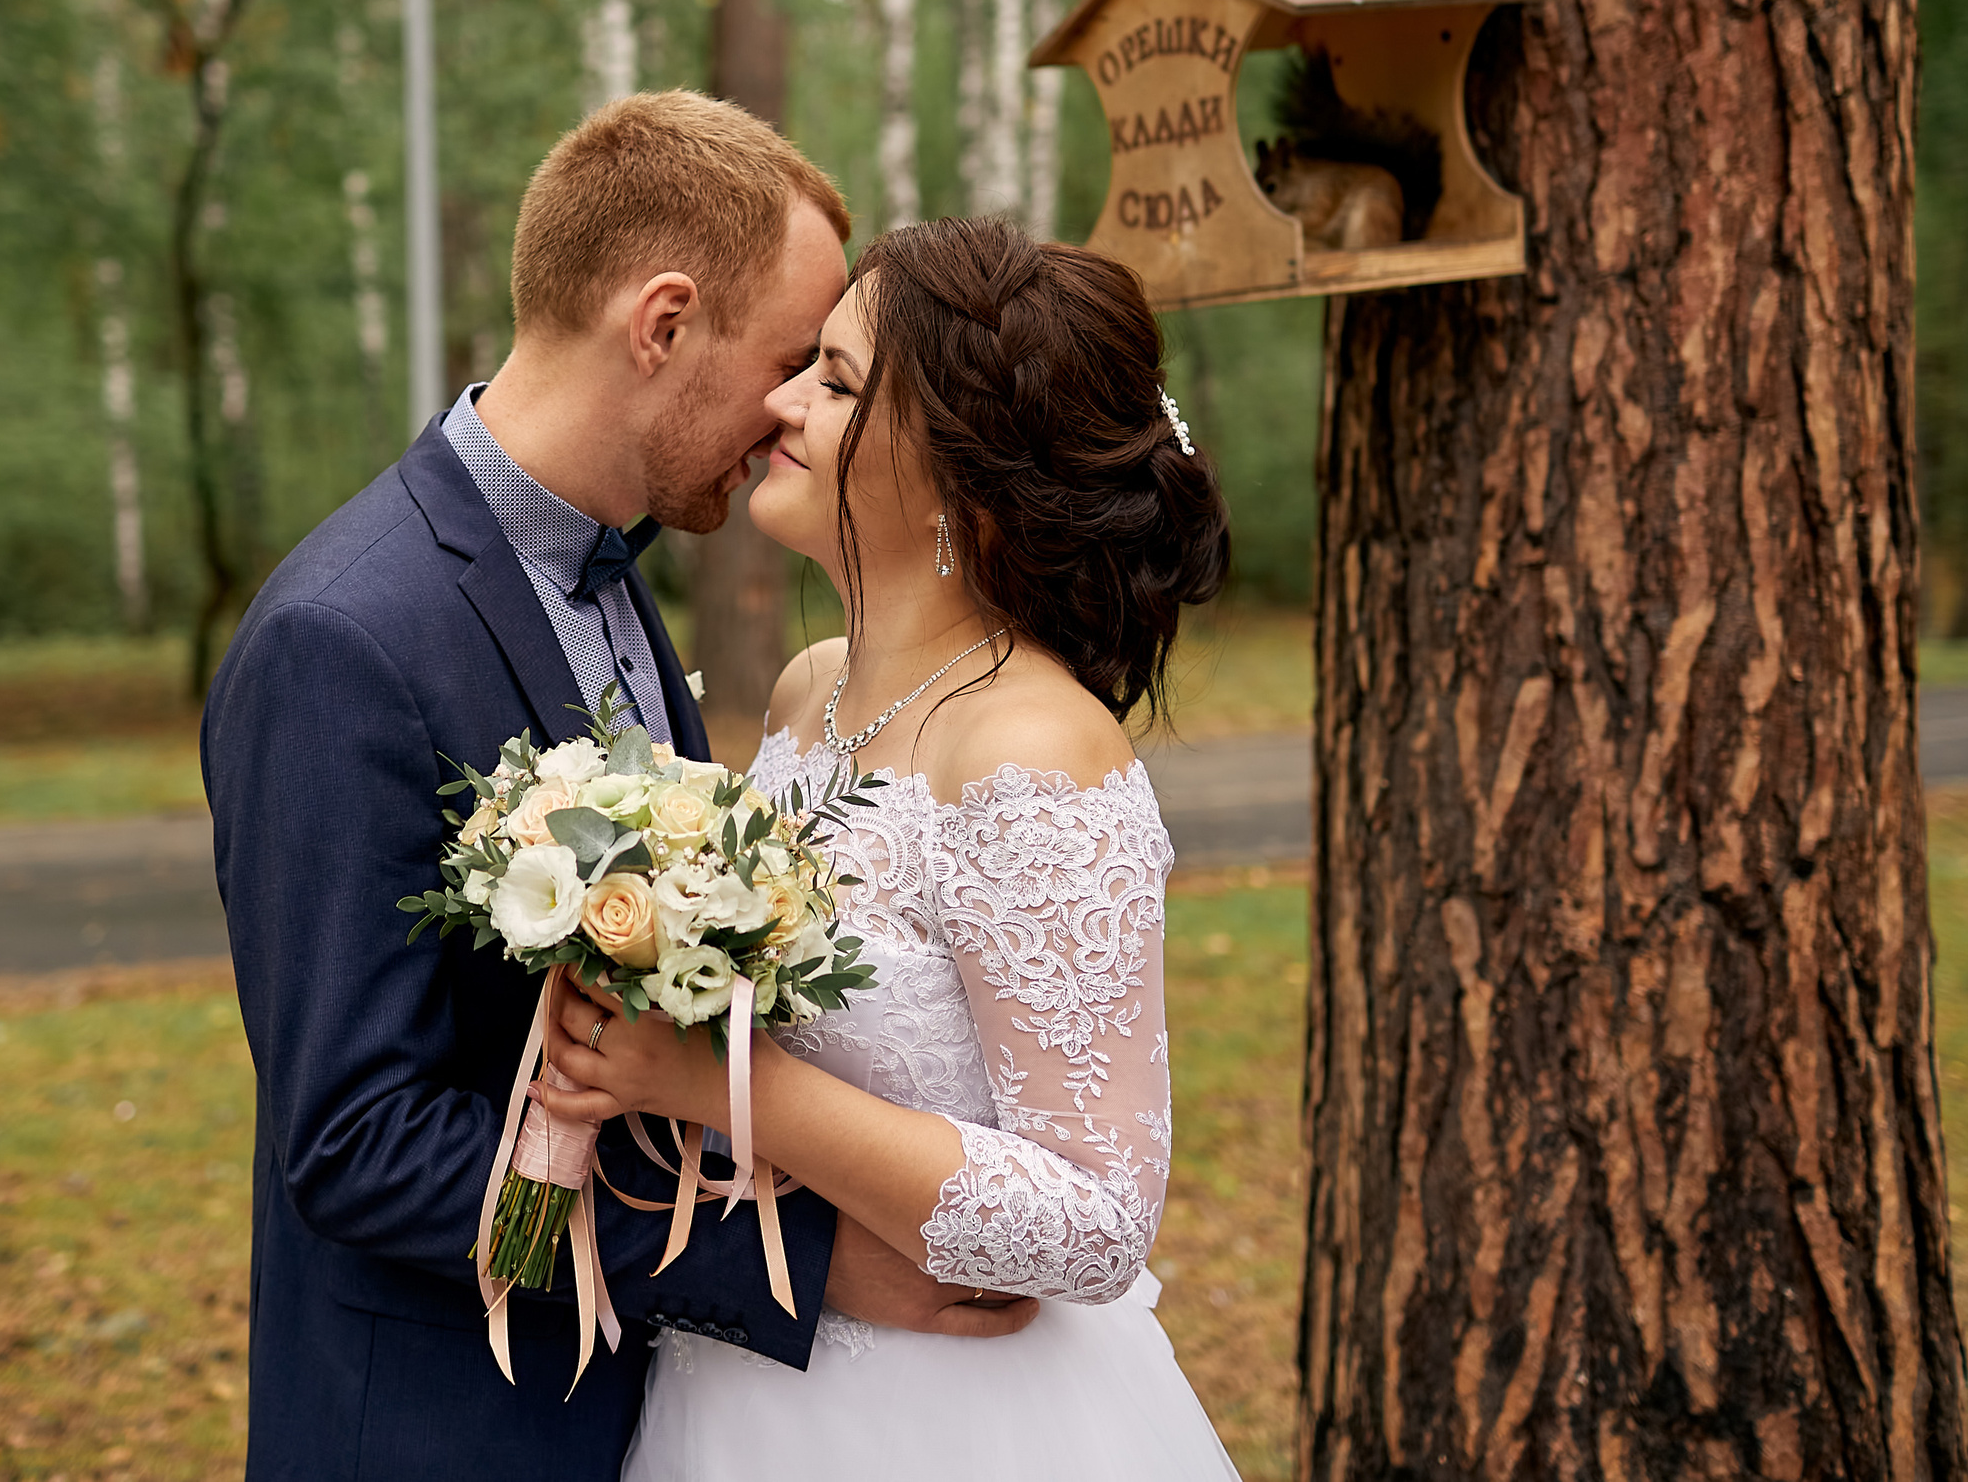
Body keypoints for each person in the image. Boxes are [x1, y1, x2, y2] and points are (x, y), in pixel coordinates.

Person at [202, 95, 1035, 1482]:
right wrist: (794, 1270)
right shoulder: (340, 639)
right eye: (789, 363)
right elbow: (360, 1144)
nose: (793, 416)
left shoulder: (612, 577)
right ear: (660, 323)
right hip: (444, 1434)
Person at [541, 215, 1243, 1479]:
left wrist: (712, 1081)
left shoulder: (1032, 750)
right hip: (746, 1377)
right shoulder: (812, 692)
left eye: (837, 379)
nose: (783, 399)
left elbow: (1096, 1220)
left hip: (955, 1420)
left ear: (956, 470)